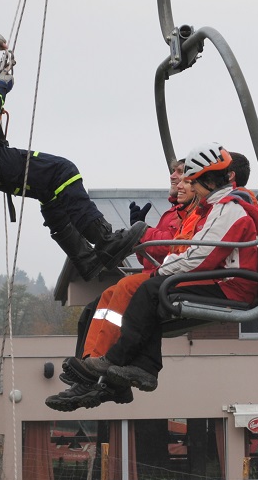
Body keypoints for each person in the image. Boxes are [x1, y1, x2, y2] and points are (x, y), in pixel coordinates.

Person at [0, 14, 145, 279]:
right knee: (63, 171)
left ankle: (86, 259)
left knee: (50, 190)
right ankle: (105, 241)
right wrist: (1, 87)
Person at [52, 143, 258, 409]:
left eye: (191, 181)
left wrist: (160, 265)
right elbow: (194, 251)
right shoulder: (214, 208)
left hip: (228, 284)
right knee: (115, 301)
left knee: (146, 290)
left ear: (207, 180)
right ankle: (113, 367)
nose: (185, 185)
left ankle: (111, 363)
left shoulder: (227, 210)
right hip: (216, 277)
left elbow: (199, 254)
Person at [46, 171, 204, 410]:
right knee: (96, 305)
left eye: (182, 175)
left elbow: (176, 244)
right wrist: (142, 234)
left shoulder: (196, 212)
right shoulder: (175, 213)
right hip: (161, 272)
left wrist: (142, 233)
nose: (175, 179)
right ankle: (88, 364)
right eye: (174, 174)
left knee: (125, 289)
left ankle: (98, 369)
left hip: (174, 276)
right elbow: (153, 254)